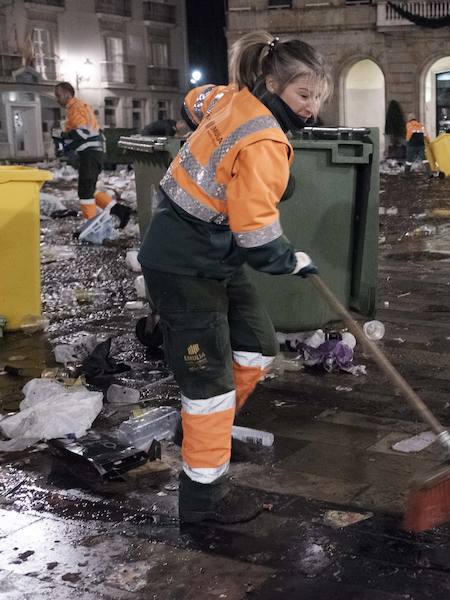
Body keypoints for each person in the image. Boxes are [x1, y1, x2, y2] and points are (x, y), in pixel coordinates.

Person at [137, 31, 329, 525]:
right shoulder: (264, 140)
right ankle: (203, 498)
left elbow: (192, 100)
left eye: (318, 97)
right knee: (210, 387)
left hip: (214, 255)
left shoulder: (230, 98)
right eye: (303, 95)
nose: (311, 108)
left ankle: (205, 432)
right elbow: (258, 239)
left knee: (258, 348)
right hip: (182, 263)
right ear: (272, 83)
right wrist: (293, 262)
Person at [54, 82, 131, 227]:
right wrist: (66, 144)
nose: (56, 99)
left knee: (85, 192)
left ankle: (90, 224)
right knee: (88, 188)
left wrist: (62, 135)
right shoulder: (78, 107)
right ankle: (120, 210)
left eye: (58, 95)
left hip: (90, 153)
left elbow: (82, 133)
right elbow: (82, 135)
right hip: (92, 153)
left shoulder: (75, 108)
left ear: (67, 94)